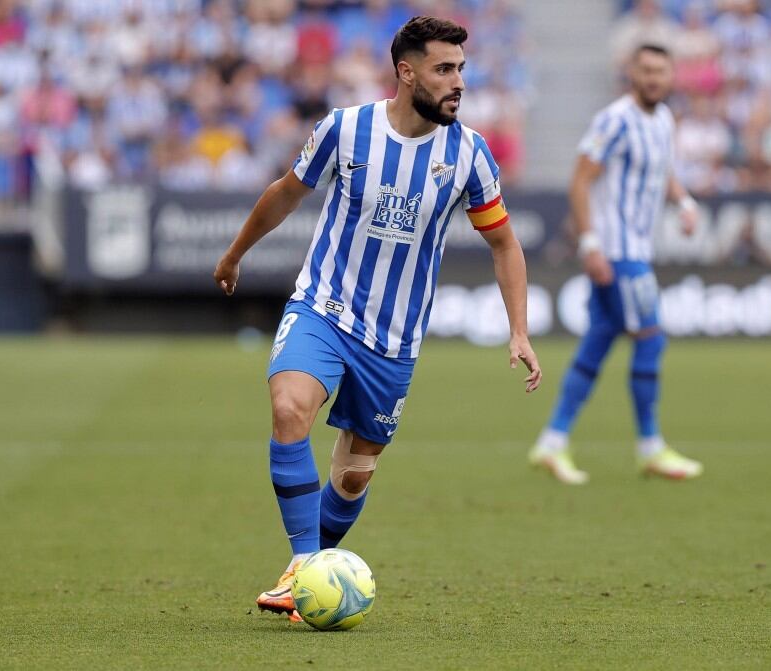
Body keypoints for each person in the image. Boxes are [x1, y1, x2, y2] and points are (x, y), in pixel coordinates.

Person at [213, 16, 542, 622]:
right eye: (444, 70)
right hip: (324, 306)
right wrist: (235, 253)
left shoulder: (468, 154)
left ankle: (314, 573)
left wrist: (518, 329)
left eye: (461, 71)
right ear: (406, 71)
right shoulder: (345, 129)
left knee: (355, 473)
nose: (457, 83)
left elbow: (504, 244)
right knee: (289, 409)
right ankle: (304, 567)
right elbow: (287, 189)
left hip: (395, 338)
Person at [528, 44, 702, 485]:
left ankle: (551, 442)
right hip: (617, 252)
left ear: (671, 75)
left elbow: (662, 172)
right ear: (632, 74)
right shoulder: (615, 119)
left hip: (637, 249)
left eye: (661, 71)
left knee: (598, 343)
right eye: (645, 70)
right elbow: (580, 180)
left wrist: (683, 201)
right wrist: (590, 243)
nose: (653, 78)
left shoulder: (662, 120)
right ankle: (650, 447)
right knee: (651, 339)